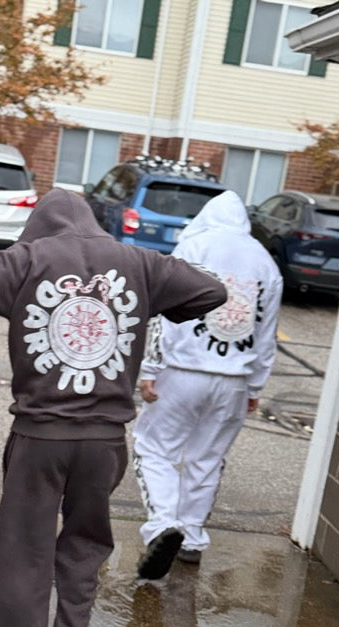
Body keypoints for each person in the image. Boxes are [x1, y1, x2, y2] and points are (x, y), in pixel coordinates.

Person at [0, 187, 226, 627]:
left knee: (24, 556)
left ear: (37, 228)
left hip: (40, 439)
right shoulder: (139, 262)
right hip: (104, 442)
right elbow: (210, 290)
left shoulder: (26, 259)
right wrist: (155, 299)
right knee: (85, 548)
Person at [133, 190, 283, 580]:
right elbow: (266, 332)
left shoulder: (192, 248)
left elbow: (164, 315)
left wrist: (150, 368)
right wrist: (255, 387)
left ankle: (164, 524)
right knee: (207, 459)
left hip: (181, 371)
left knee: (154, 448)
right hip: (234, 379)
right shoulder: (265, 263)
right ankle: (192, 539)